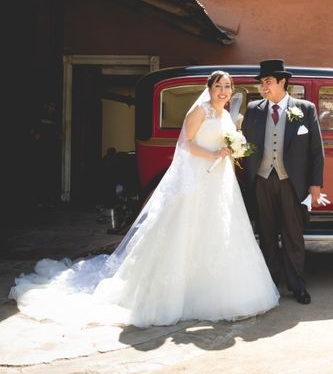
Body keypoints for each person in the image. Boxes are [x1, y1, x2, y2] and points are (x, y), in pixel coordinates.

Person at [9, 71, 279, 328]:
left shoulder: (227, 116)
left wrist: (231, 151)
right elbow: (186, 144)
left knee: (220, 232)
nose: (223, 91)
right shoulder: (200, 111)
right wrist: (212, 155)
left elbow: (229, 144)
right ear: (208, 89)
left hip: (219, 181)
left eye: (227, 86)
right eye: (218, 86)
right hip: (197, 178)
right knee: (185, 230)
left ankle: (221, 290)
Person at [241, 59, 324, 304]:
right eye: (261, 83)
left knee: (293, 236)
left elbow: (316, 151)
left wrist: (315, 185)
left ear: (282, 82)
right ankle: (270, 285)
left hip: (293, 182)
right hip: (262, 180)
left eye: (268, 82)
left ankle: (297, 285)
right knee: (266, 235)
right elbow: (245, 144)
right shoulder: (254, 109)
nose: (263, 87)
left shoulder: (305, 108)